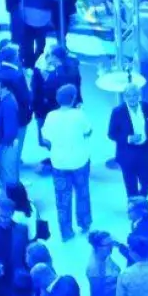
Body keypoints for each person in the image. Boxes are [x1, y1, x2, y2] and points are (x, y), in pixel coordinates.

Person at [40, 84, 93, 241]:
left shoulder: (51, 116)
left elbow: (45, 139)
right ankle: (84, 223)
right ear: (74, 98)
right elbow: (88, 131)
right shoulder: (79, 115)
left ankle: (66, 231)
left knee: (62, 198)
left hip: (59, 163)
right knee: (82, 193)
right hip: (79, 161)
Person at [109, 84, 148, 200]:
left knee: (147, 180)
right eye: (129, 96)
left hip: (145, 151)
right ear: (125, 97)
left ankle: (141, 200)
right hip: (127, 153)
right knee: (131, 186)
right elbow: (111, 133)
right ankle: (135, 209)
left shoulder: (146, 107)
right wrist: (128, 138)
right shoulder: (117, 112)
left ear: (139, 96)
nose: (132, 98)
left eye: (135, 95)